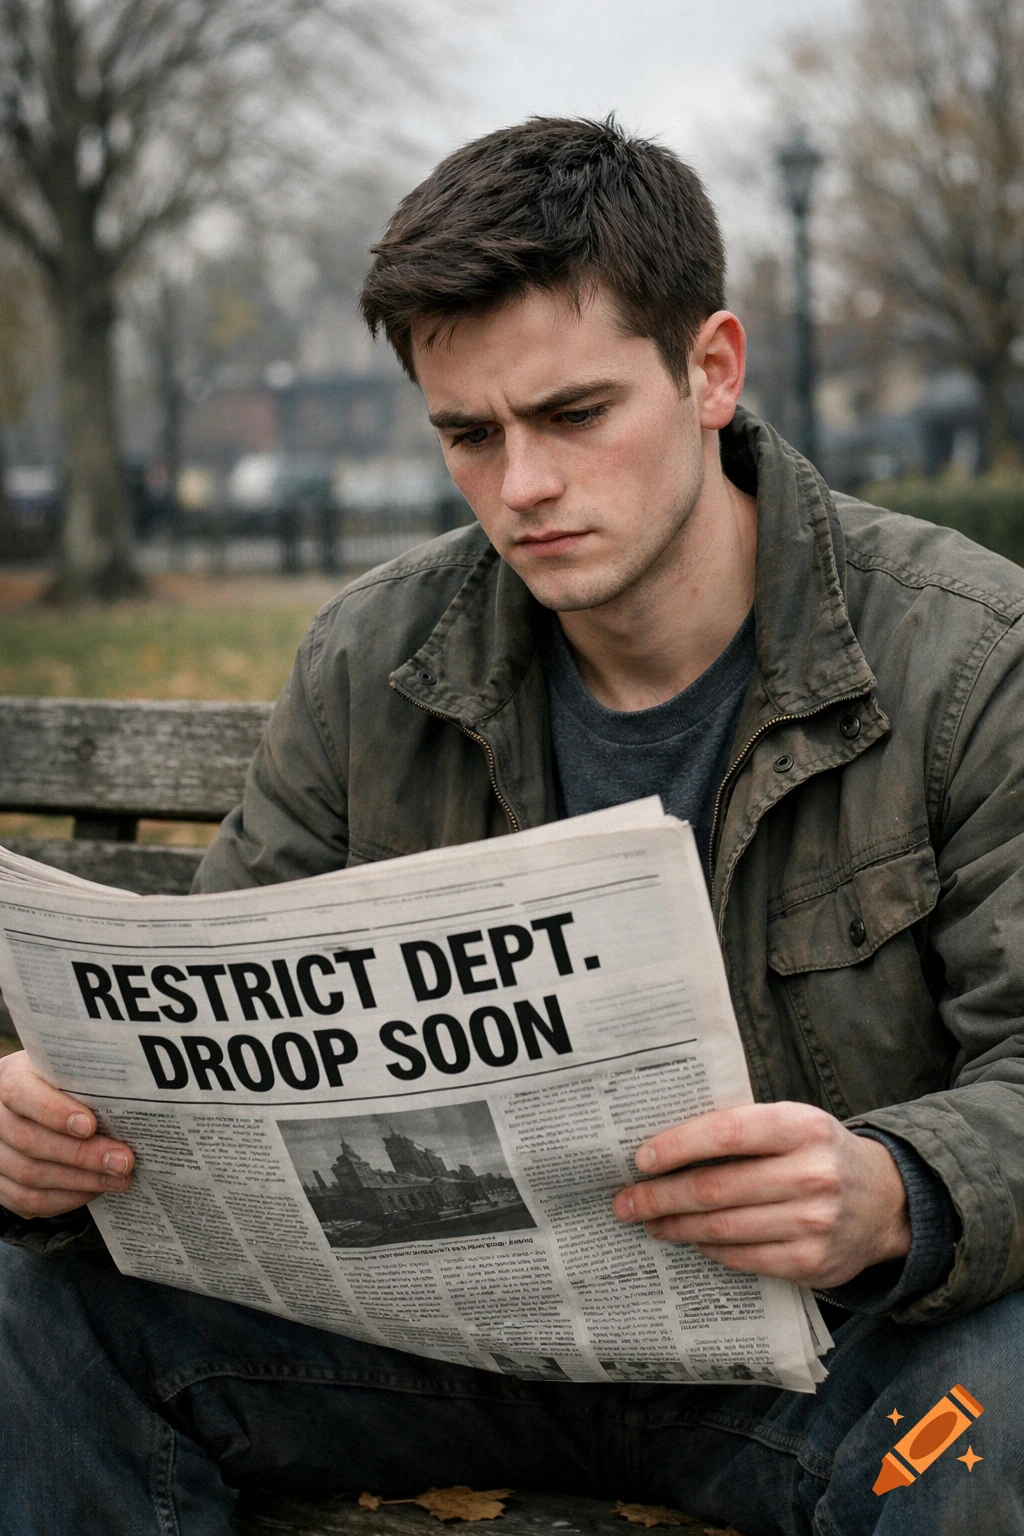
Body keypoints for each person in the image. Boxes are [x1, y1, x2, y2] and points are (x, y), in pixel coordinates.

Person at [1, 116, 1022, 1536]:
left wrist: (895, 1192)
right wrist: (60, 1143)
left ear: (710, 370)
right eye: (468, 435)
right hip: (434, 1351)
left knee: (1001, 1419)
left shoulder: (965, 655)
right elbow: (205, 1040)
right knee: (25, 1307)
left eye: (575, 415)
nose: (522, 487)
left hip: (826, 1365)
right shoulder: (373, 659)